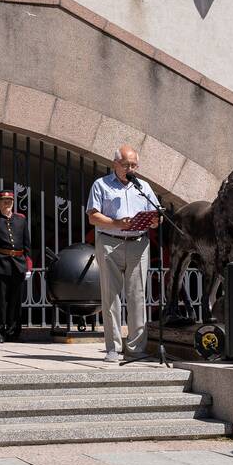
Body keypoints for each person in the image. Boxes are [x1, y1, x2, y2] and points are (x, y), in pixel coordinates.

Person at [86, 144, 160, 363]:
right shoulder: (101, 185)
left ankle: (136, 349)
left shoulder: (143, 186)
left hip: (138, 243)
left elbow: (156, 213)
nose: (130, 168)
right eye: (126, 164)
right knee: (111, 297)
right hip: (110, 242)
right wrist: (116, 223)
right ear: (115, 164)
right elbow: (93, 216)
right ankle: (113, 348)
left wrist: (155, 220)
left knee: (137, 296)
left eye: (134, 164)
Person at [0, 190, 33, 343]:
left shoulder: (21, 220)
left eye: (10, 201)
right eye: (4, 201)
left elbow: (27, 245)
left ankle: (14, 332)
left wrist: (28, 267)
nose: (7, 204)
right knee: (1, 301)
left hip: (18, 264)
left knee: (15, 301)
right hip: (1, 264)